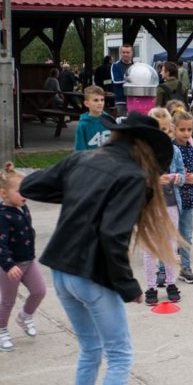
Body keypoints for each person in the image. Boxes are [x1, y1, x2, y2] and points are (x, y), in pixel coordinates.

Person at [19, 112, 178, 383]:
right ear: (145, 146)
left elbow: (30, 184)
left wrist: (82, 190)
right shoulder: (132, 176)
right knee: (120, 356)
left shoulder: (84, 158)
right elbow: (112, 236)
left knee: (91, 350)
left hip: (62, 274)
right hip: (91, 276)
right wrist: (129, 287)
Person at [0, 163, 46, 352]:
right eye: (21, 191)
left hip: (28, 261)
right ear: (4, 194)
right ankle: (1, 330)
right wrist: (8, 265)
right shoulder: (2, 216)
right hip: (10, 267)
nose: (25, 195)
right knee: (8, 300)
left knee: (39, 291)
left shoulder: (23, 207)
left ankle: (25, 316)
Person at [145, 107, 184, 304]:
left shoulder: (175, 150)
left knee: (170, 246)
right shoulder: (143, 151)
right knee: (151, 249)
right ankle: (150, 287)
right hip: (150, 206)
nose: (164, 135)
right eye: (158, 130)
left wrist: (176, 178)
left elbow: (183, 176)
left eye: (167, 130)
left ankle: (171, 283)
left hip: (170, 205)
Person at [173, 110, 193, 284]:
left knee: (185, 235)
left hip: (188, 200)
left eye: (189, 130)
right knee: (169, 236)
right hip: (170, 201)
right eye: (182, 129)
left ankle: (186, 267)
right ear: (174, 129)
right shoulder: (168, 149)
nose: (186, 133)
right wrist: (180, 178)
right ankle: (165, 268)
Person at [74, 86, 111, 151]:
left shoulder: (109, 120)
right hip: (91, 159)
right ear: (86, 103)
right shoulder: (83, 125)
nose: (100, 103)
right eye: (96, 100)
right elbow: (79, 150)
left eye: (102, 100)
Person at [110, 44, 134, 117]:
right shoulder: (115, 66)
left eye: (127, 52)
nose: (125, 54)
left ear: (132, 53)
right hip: (121, 100)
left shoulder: (137, 66)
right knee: (121, 123)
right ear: (120, 53)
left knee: (134, 123)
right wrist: (131, 79)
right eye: (123, 52)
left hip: (134, 99)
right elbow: (116, 81)